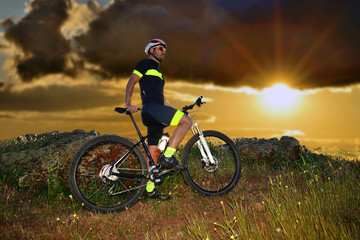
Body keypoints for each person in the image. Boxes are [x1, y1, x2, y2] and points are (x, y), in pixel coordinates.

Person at [125, 39, 193, 200]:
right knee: (187, 122)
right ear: (151, 51)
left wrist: (173, 109)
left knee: (154, 152)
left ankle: (149, 189)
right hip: (152, 109)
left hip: (156, 111)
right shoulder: (144, 64)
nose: (164, 51)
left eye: (165, 49)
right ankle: (169, 156)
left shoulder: (159, 73)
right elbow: (132, 81)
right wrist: (128, 103)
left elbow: (161, 97)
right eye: (160, 48)